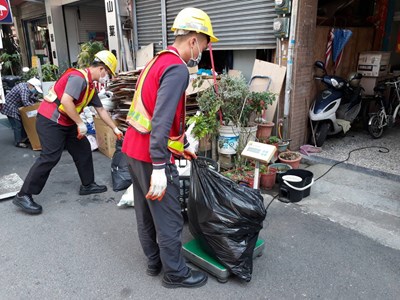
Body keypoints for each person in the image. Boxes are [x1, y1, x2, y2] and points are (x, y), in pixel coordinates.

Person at [122, 7, 218, 289]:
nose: (203, 49)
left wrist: (183, 144)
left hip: (133, 151)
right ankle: (175, 273)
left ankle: (154, 262)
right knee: (169, 218)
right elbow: (162, 121)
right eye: (204, 43)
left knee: (145, 211)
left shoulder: (158, 61)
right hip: (151, 157)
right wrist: (161, 167)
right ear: (192, 40)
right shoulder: (177, 69)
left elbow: (158, 114)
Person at [12, 50, 123, 215]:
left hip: (67, 121)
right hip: (51, 121)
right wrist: (80, 123)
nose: (107, 76)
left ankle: (87, 185)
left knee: (83, 148)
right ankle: (23, 194)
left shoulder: (90, 87)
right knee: (50, 157)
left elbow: (100, 110)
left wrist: (115, 128)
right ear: (101, 68)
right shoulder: (79, 78)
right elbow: (65, 100)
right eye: (107, 72)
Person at [0, 78, 43, 148]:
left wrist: (38, 100)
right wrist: (34, 107)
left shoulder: (26, 87)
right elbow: (25, 102)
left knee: (22, 123)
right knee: (17, 125)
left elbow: (30, 97)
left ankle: (24, 138)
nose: (35, 90)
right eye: (35, 88)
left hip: (15, 106)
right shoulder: (24, 89)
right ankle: (18, 142)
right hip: (10, 107)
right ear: (31, 85)